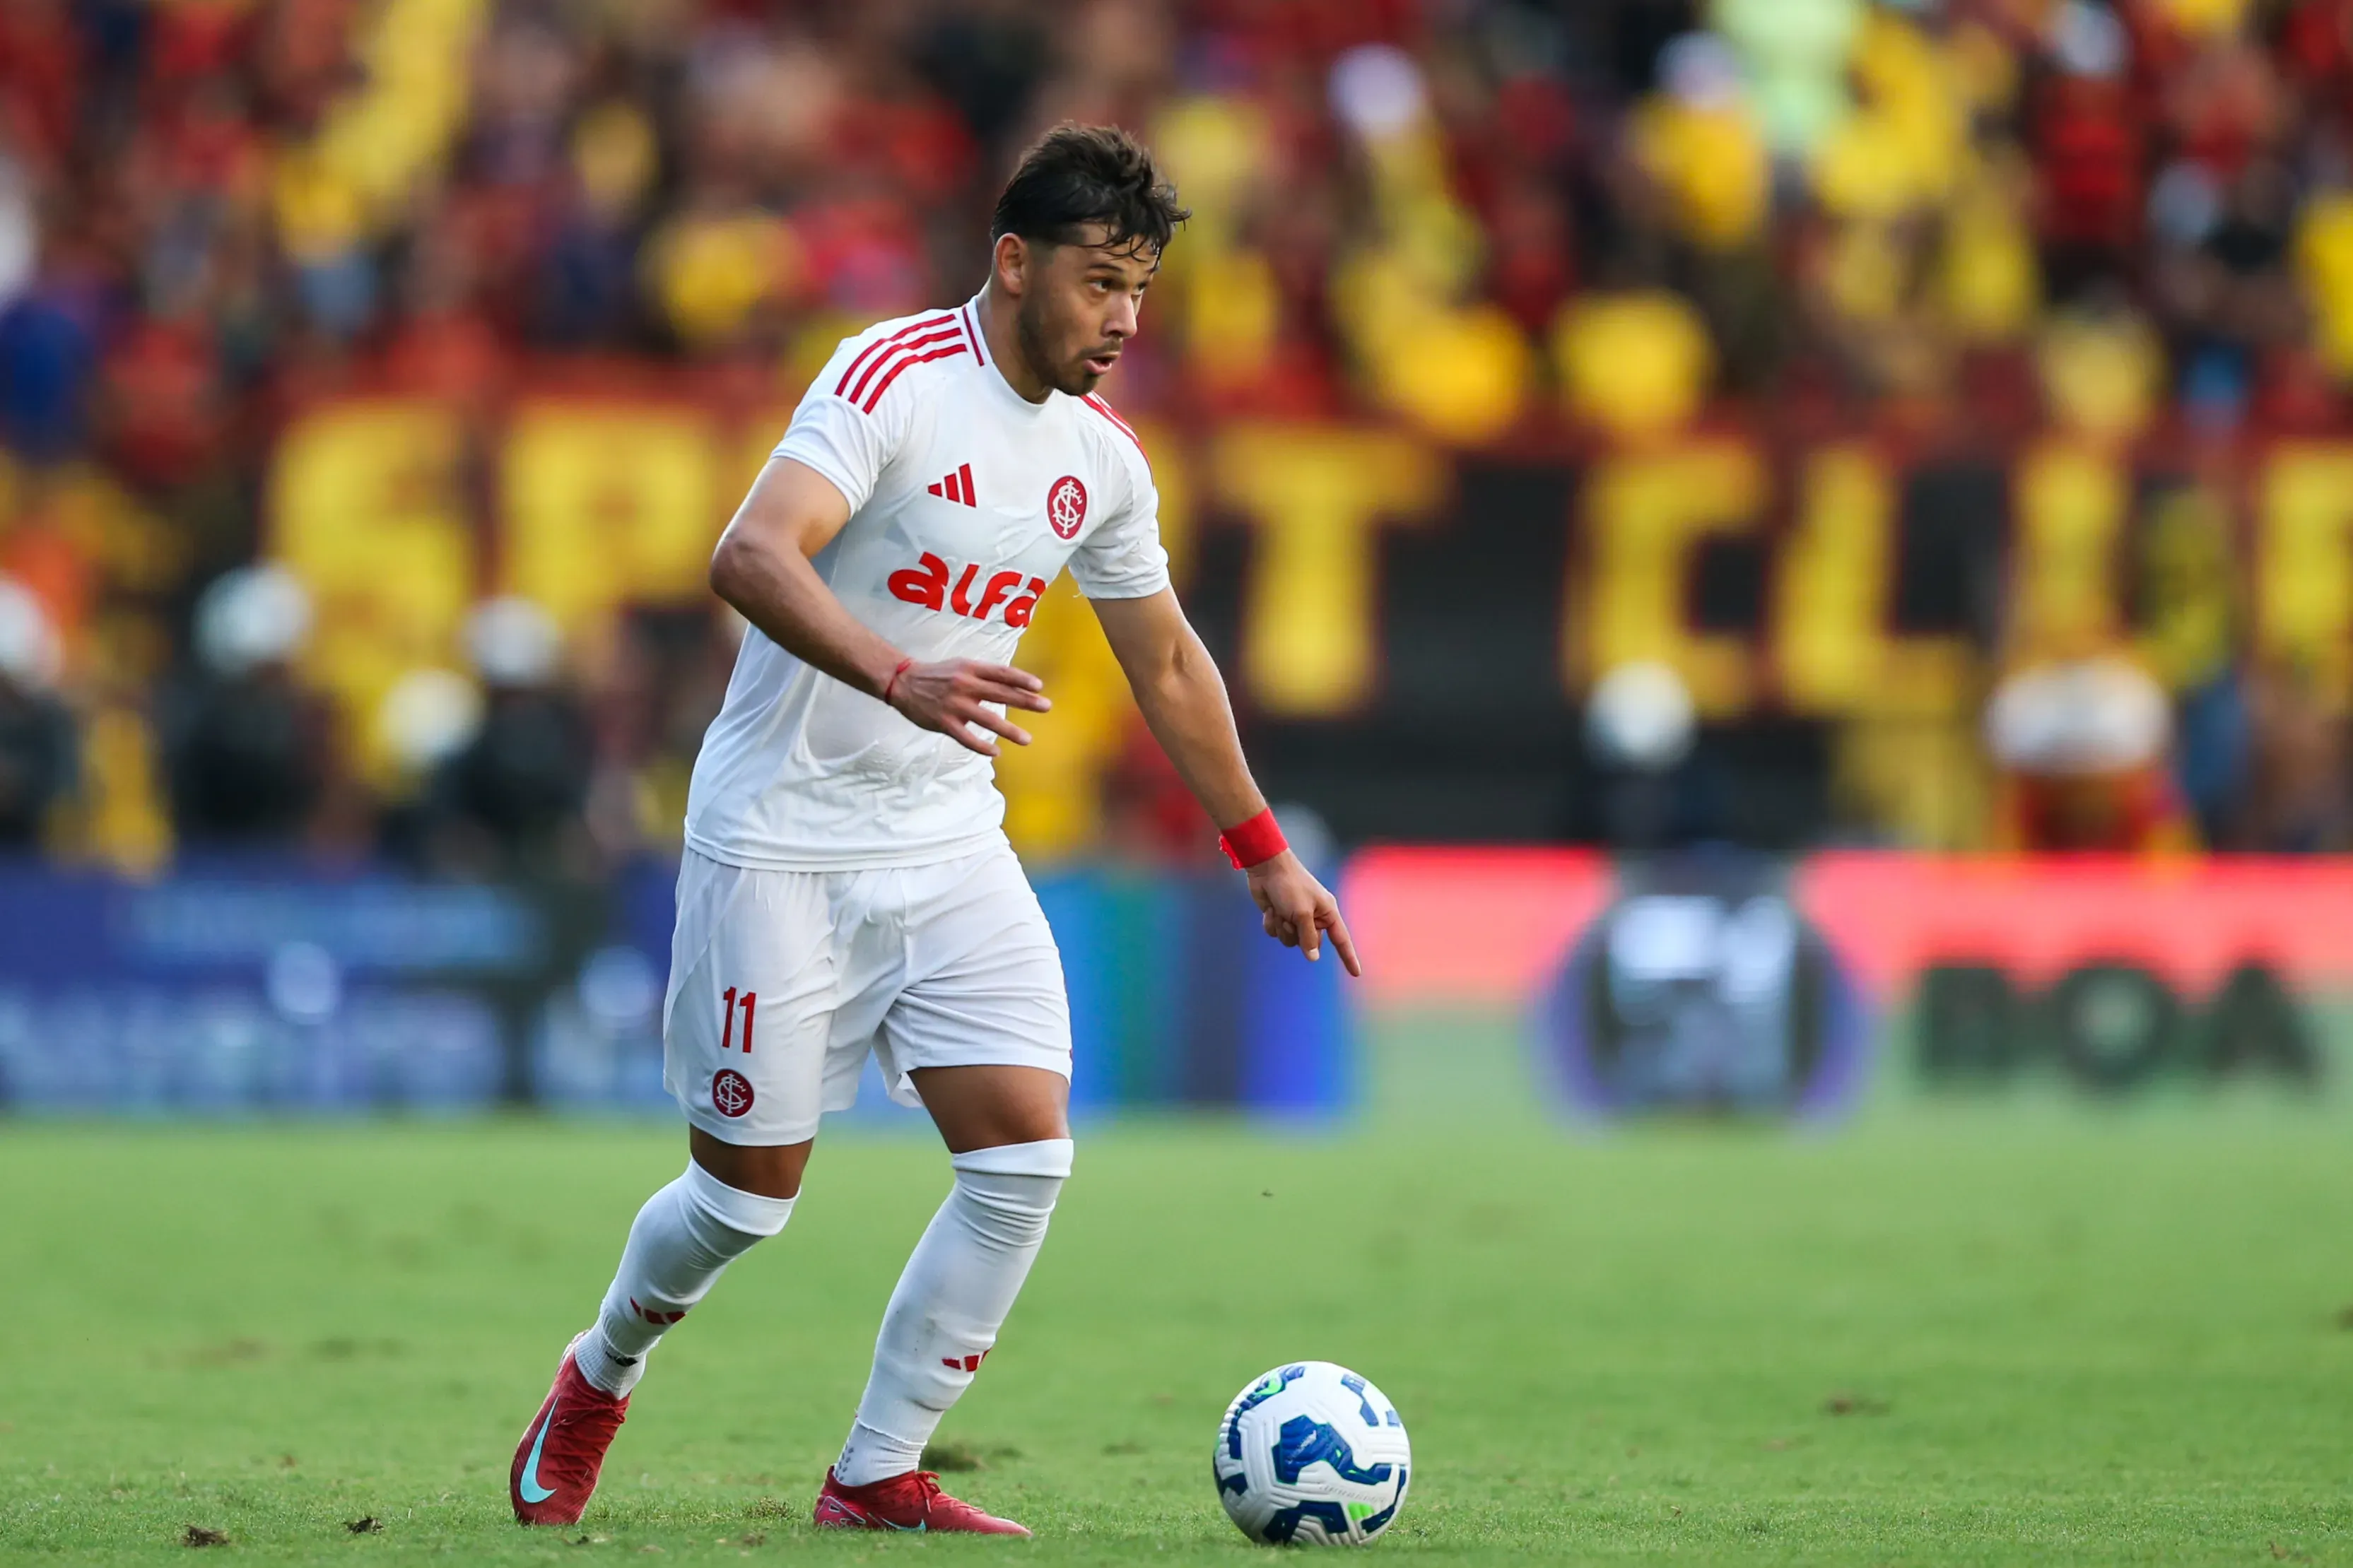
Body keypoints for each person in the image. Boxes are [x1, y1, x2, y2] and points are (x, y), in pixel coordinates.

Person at [508, 124, 1359, 1536]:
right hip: (779, 836)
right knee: (742, 1205)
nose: (1124, 318)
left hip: (946, 835)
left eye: (1141, 288)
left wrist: (1258, 846)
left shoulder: (1100, 458)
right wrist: (899, 674)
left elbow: (1165, 661)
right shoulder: (889, 377)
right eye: (1100, 281)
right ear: (1014, 261)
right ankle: (600, 1367)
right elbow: (749, 552)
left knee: (1025, 1150)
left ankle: (873, 1471)